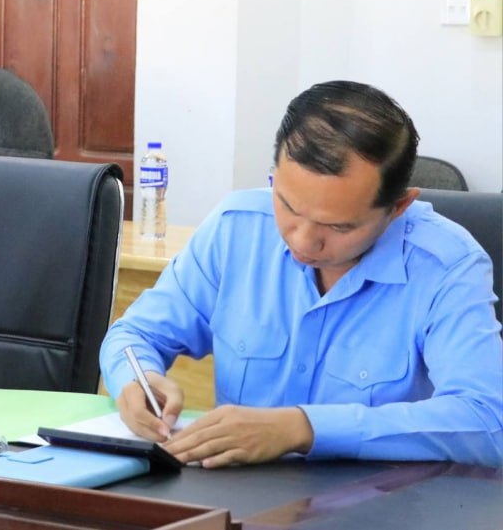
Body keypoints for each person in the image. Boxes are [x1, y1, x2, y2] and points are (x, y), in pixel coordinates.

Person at [101, 81, 503, 469]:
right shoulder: (236, 228)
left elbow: (487, 421)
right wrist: (137, 380)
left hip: (378, 499)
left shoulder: (448, 266)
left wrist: (304, 428)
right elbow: (135, 335)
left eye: (338, 226)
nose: (304, 240)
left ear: (398, 207)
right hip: (236, 494)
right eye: (289, 206)